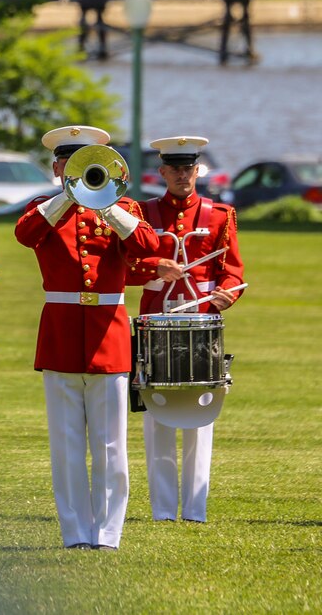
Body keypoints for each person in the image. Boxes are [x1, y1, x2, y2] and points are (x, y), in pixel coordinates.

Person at [14, 125, 159, 551]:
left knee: (112, 443)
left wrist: (109, 205)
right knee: (66, 445)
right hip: (61, 332)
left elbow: (148, 246)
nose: (75, 171)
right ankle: (75, 532)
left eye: (86, 165)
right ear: (58, 168)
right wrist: (67, 196)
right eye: (69, 164)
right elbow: (25, 235)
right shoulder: (45, 207)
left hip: (108, 332)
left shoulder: (123, 205)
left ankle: (109, 533)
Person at [126, 136, 245, 523]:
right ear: (161, 172)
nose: (182, 175)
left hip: (201, 322)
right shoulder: (141, 214)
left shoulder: (219, 215)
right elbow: (124, 269)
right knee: (157, 414)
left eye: (188, 168)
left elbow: (232, 270)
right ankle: (162, 510)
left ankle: (195, 509)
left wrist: (227, 294)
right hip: (157, 321)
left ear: (198, 170)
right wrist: (154, 266)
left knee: (200, 414)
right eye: (174, 169)